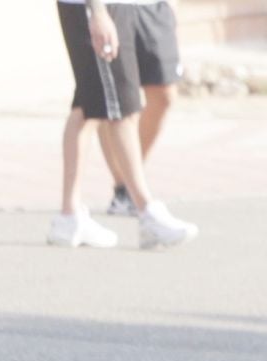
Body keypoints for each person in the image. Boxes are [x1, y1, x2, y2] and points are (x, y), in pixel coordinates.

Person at [50, 0, 197, 249]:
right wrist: (97, 10)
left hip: (127, 6)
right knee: (120, 107)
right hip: (100, 7)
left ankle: (70, 216)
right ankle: (145, 210)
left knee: (87, 105)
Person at [100, 1, 180, 219]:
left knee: (164, 95)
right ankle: (124, 189)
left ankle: (129, 181)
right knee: (117, 100)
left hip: (154, 7)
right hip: (112, 6)